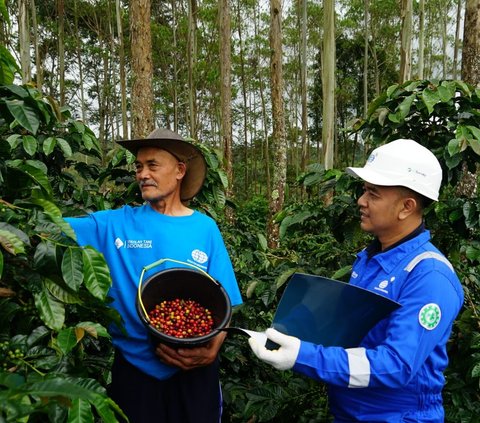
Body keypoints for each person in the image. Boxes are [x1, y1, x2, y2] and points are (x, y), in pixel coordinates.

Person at [248, 138, 464, 422]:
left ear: (406, 207)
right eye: (364, 191)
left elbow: (396, 365)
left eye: (373, 194)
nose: (361, 201)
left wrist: (304, 355)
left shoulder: (429, 276)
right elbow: (353, 330)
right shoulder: (369, 258)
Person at [64, 128, 243, 423]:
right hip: (136, 370)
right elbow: (46, 225)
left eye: (152, 165)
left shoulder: (205, 228)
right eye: (138, 166)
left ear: (179, 171)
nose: (142, 174)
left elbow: (224, 301)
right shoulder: (113, 225)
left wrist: (212, 349)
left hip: (195, 369)